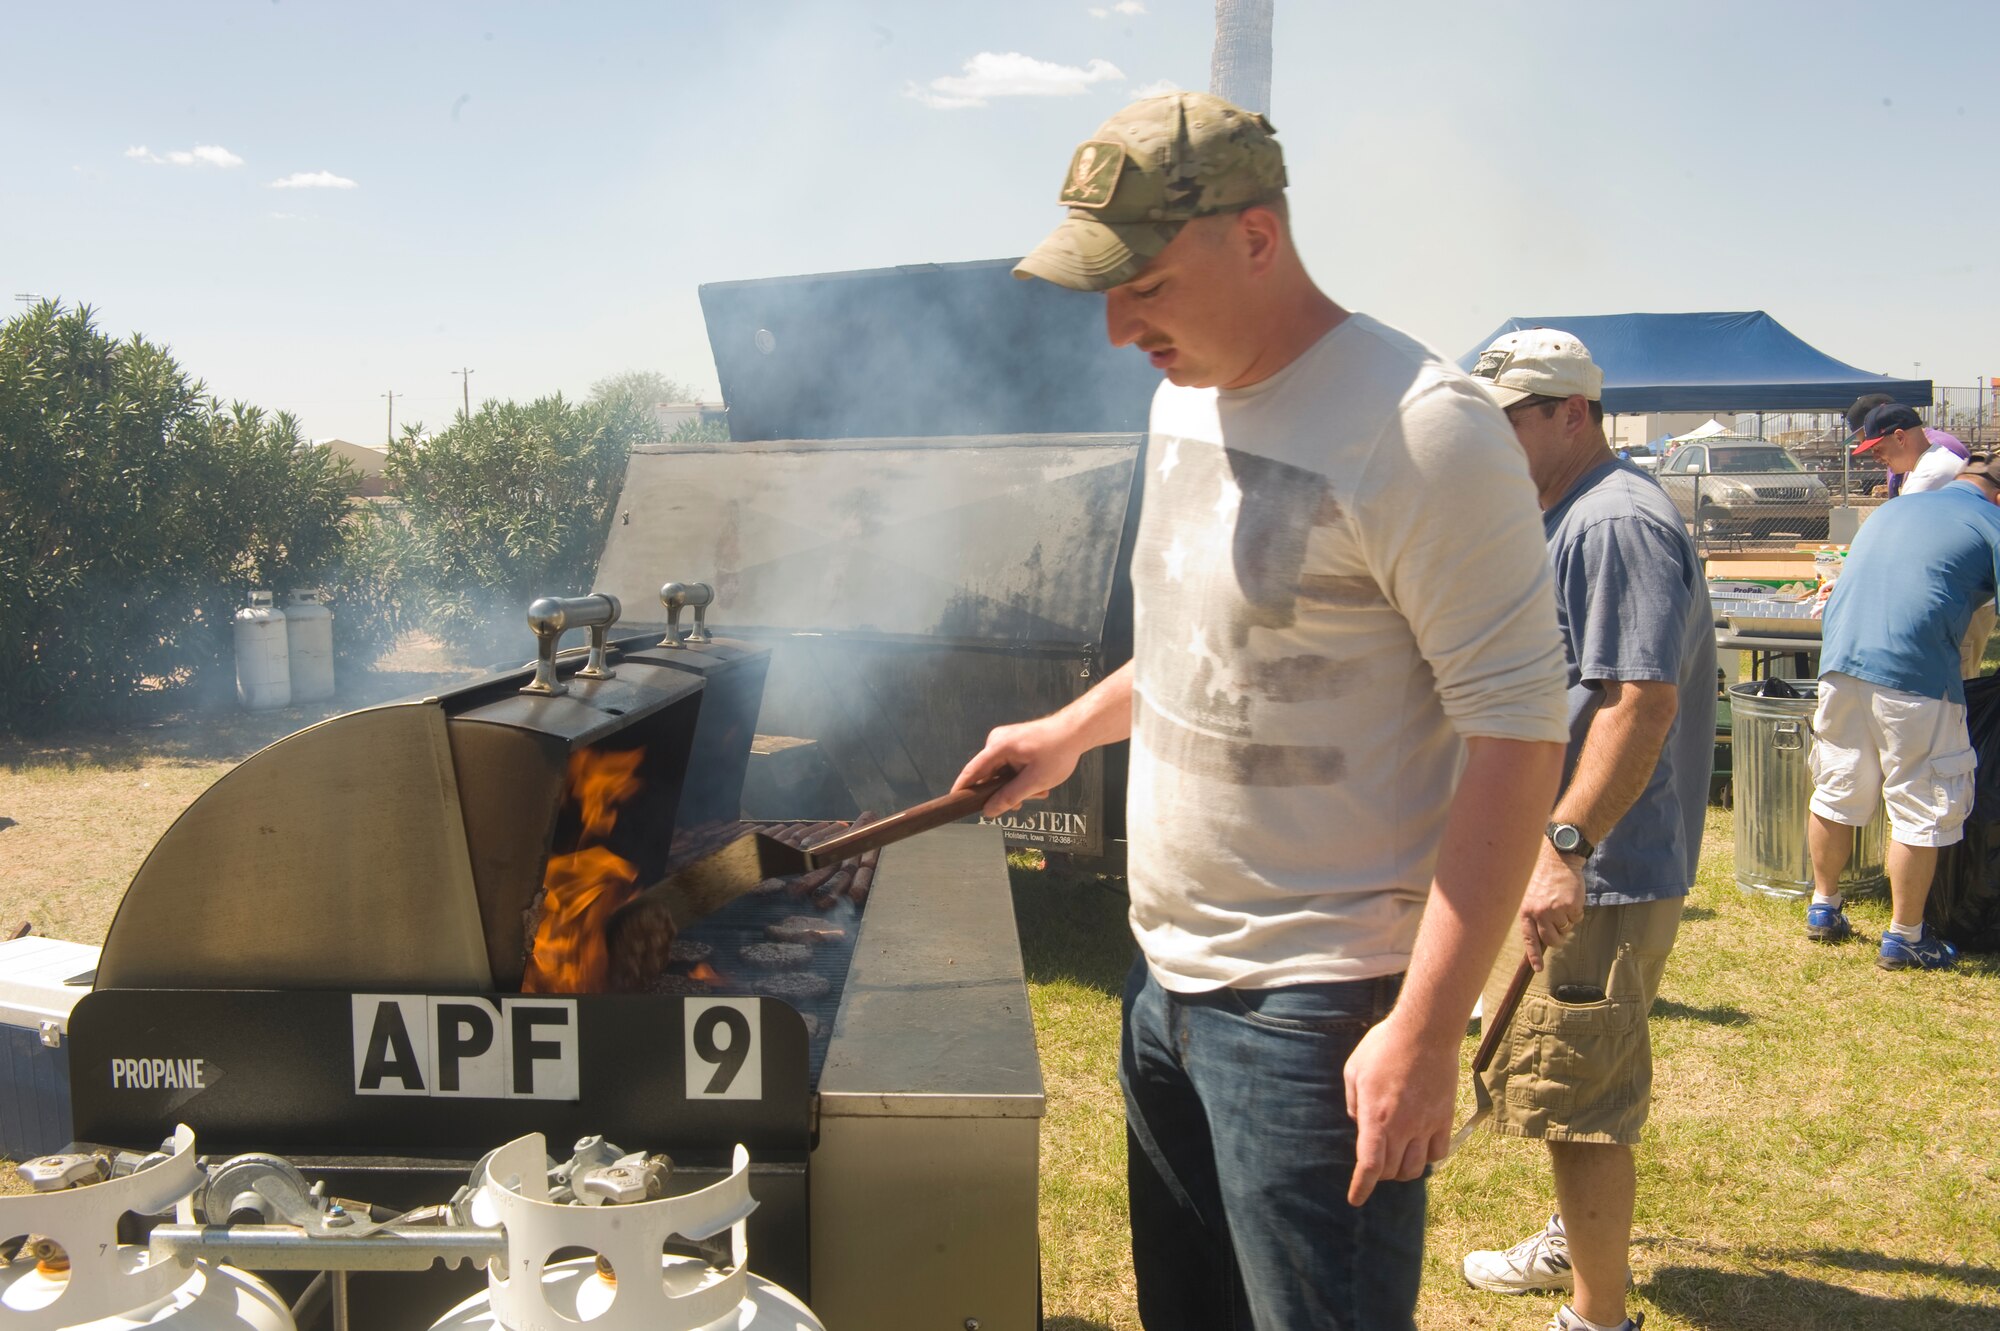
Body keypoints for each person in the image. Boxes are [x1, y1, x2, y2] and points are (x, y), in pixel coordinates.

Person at [954, 92, 1570, 1329]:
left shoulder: (1419, 428)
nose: (1120, 326)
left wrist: (1427, 1027)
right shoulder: (1182, 393)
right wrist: (1069, 732)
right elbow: (1209, 648)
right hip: (1164, 977)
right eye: (1103, 291)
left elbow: (1516, 737)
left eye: (1144, 285)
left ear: (1254, 238)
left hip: (1322, 1002)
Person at [1459, 331, 1716, 1331]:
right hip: (1576, 851)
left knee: (1577, 1093)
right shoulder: (1567, 509)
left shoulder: (1609, 520)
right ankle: (1576, 1244)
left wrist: (1563, 850)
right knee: (1569, 1076)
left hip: (1596, 861)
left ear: (1572, 411)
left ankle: (1596, 1315)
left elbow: (1636, 703)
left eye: (1506, 421)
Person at [1805, 451, 2000, 969]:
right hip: (1915, 675)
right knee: (1921, 799)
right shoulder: (1991, 521)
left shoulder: (1894, 508)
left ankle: (1823, 907)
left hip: (1840, 661)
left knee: (1838, 785)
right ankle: (1906, 936)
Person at [1856, 402, 1960, 495]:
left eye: (1877, 449)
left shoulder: (1927, 477)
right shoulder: (1936, 457)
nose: (1876, 458)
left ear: (1899, 438)